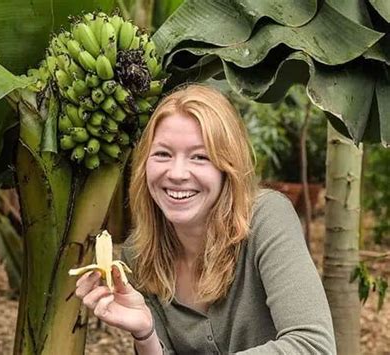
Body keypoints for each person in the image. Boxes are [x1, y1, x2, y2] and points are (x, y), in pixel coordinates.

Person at [75, 84, 336, 354]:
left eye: (200, 157)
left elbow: (313, 346)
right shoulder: (137, 257)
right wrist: (146, 333)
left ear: (228, 168)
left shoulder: (266, 218)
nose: (177, 173)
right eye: (163, 154)